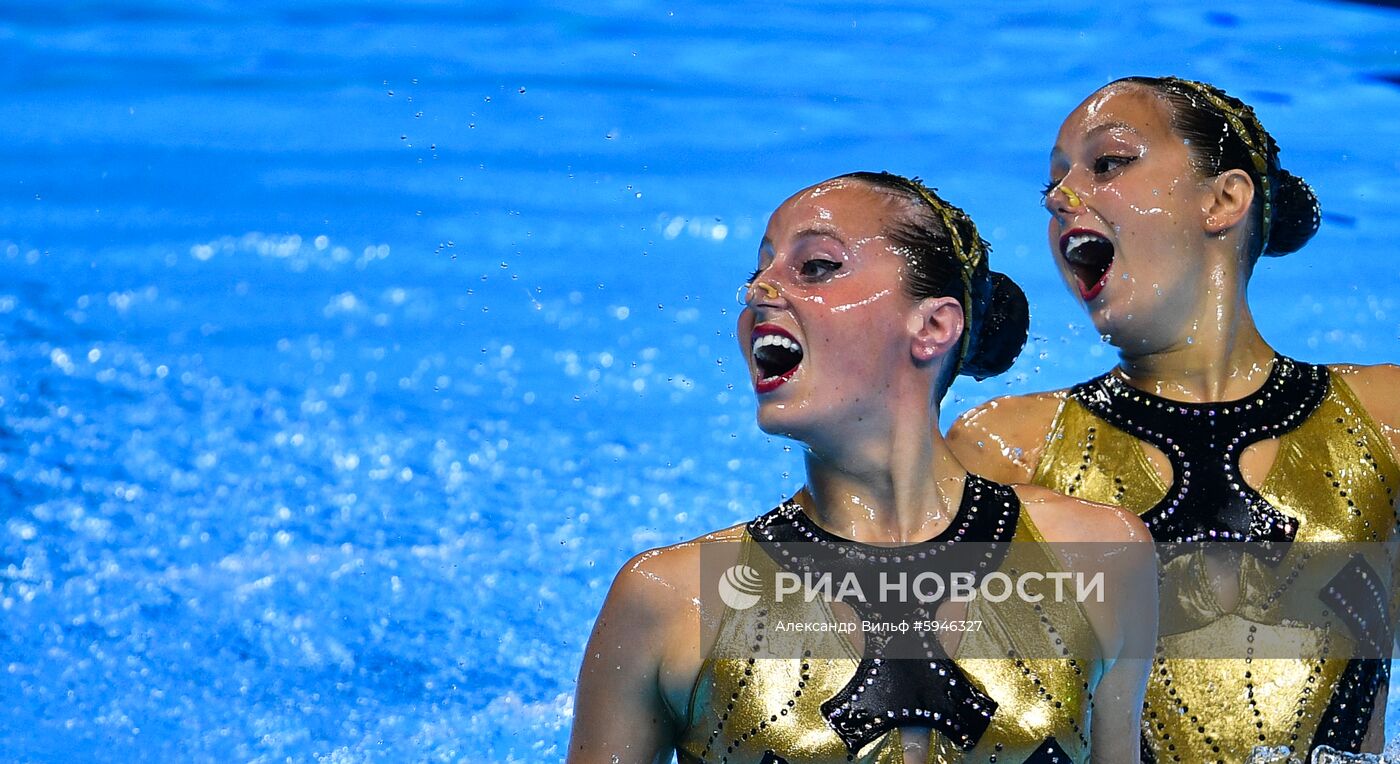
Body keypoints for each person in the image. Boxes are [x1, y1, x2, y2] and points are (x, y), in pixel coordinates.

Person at [568, 171, 1156, 763]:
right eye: (759, 270)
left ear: (932, 326)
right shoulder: (669, 601)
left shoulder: (1098, 554)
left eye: (816, 267)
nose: (758, 291)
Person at [948, 76, 1400, 761]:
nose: (1061, 196)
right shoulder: (1009, 449)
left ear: (1223, 200)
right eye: (1053, 184)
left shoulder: (1383, 421)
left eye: (1107, 163)